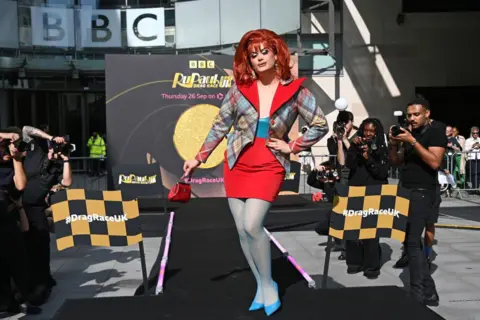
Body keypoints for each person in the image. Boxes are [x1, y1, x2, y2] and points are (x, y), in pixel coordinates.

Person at [183, 29, 329, 316]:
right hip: (237, 162)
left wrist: (293, 145)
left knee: (252, 225)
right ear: (247, 60)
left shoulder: (297, 90)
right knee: (241, 231)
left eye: (264, 52)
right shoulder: (239, 89)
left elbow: (320, 124)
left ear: (277, 54)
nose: (259, 58)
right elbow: (219, 126)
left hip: (270, 163)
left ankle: (269, 284)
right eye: (253, 54)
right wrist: (198, 158)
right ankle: (263, 286)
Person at [388, 97, 443, 306]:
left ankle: (419, 294)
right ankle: (429, 292)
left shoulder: (435, 131)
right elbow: (396, 162)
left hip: (423, 192)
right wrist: (394, 144)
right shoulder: (409, 133)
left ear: (427, 113)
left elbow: (435, 162)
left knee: (412, 242)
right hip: (405, 190)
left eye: (416, 114)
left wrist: (412, 141)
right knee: (410, 241)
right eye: (409, 115)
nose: (411, 118)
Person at [21, 126, 72, 305]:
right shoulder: (37, 150)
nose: (55, 150)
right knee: (23, 246)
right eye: (54, 146)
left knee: (41, 244)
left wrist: (65, 160)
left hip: (36, 209)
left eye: (57, 148)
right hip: (19, 206)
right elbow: (26, 129)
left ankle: (43, 280)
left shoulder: (57, 166)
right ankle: (24, 282)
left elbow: (67, 182)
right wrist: (51, 138)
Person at [0, 128, 41, 315]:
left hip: (9, 219)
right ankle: (5, 304)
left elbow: (21, 185)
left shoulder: (12, 166)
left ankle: (21, 300)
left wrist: (16, 159)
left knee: (18, 262)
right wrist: (8, 136)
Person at [344, 118, 389, 279]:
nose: (368, 134)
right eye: (366, 130)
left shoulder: (382, 148)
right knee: (352, 230)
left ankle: (371, 267)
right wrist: (354, 149)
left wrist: (368, 157)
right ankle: (354, 263)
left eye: (372, 131)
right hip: (356, 190)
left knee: (370, 232)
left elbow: (382, 173)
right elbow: (349, 164)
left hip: (374, 192)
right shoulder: (356, 145)